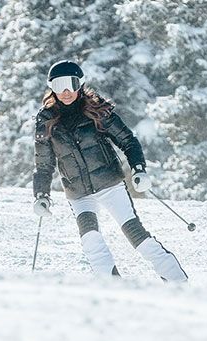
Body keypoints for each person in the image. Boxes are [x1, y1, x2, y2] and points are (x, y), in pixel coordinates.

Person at [30, 60, 188, 282]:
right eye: (59, 85)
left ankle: (177, 282)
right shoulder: (46, 121)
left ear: (80, 84)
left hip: (110, 185)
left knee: (136, 236)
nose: (65, 91)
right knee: (91, 240)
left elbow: (127, 140)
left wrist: (138, 169)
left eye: (71, 83)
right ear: (51, 88)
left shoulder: (96, 110)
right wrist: (41, 195)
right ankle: (113, 289)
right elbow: (43, 164)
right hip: (79, 194)